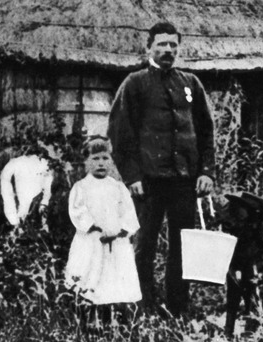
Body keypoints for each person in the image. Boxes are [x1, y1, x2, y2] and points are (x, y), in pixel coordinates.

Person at [107, 22, 216, 316]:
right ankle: (143, 305)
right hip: (148, 182)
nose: (168, 50)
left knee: (183, 246)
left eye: (173, 45)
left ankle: (177, 307)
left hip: (184, 181)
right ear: (149, 47)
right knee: (145, 244)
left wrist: (206, 171)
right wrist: (132, 177)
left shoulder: (190, 83)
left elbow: (206, 130)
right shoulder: (135, 83)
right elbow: (120, 135)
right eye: (162, 44)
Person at [64, 137, 141, 309]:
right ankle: (89, 313)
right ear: (86, 161)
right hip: (92, 240)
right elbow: (78, 210)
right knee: (90, 275)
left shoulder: (118, 187)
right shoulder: (81, 187)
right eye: (95, 159)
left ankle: (116, 313)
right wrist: (95, 228)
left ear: (112, 161)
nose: (101, 163)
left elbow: (128, 213)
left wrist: (120, 230)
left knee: (115, 278)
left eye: (105, 158)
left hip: (116, 241)